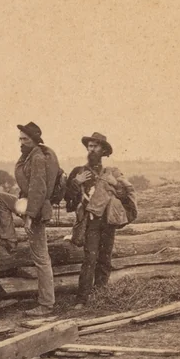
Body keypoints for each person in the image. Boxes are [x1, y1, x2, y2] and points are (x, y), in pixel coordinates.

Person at [0, 121, 62, 316]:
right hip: (28, 203)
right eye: (20, 139)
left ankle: (46, 304)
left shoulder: (38, 158)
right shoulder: (29, 156)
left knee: (41, 258)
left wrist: (30, 217)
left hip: (37, 210)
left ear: (34, 141)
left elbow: (38, 189)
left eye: (25, 139)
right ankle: (9, 238)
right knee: (0, 198)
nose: (21, 142)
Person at [65, 132, 135, 308]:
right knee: (90, 259)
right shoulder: (78, 172)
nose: (92, 149)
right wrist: (76, 182)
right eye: (90, 146)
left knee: (105, 259)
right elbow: (68, 200)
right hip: (90, 222)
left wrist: (115, 184)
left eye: (96, 146)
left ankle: (100, 295)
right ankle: (82, 299)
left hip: (108, 221)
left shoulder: (112, 173)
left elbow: (125, 196)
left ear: (103, 150)